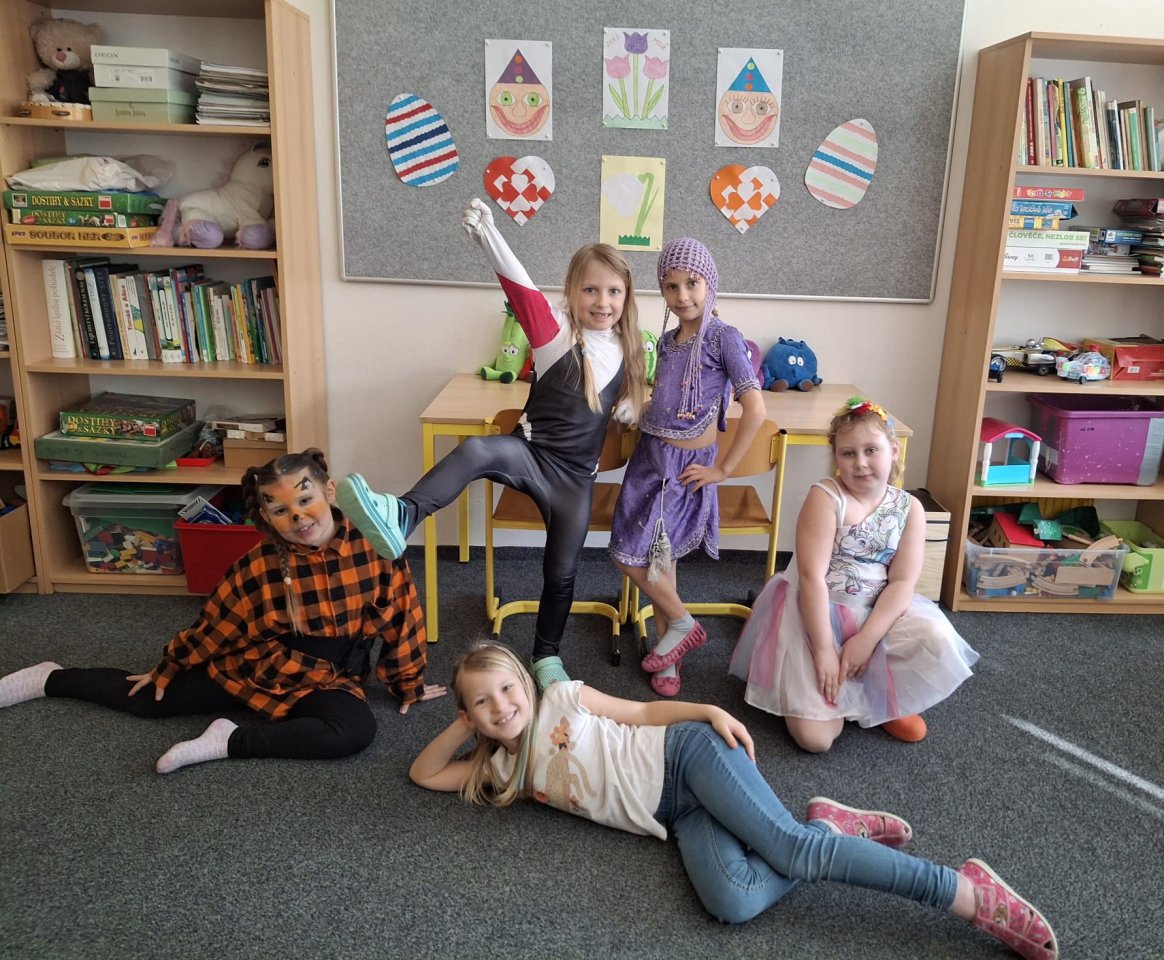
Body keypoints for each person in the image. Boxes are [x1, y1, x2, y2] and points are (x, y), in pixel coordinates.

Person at [410, 642, 1058, 960]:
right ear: (469, 716)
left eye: (505, 689)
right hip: (678, 814)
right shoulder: (501, 770)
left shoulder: (562, 698)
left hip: (686, 754)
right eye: (482, 703)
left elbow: (642, 712)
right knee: (733, 902)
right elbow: (423, 773)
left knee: (794, 854)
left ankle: (964, 892)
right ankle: (830, 825)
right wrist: (463, 726)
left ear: (525, 684)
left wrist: (708, 711)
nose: (501, 707)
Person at [337, 199, 647, 691]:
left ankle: (546, 656)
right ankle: (403, 515)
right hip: (530, 456)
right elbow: (518, 286)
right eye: (590, 289)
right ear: (572, 291)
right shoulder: (555, 334)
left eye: (613, 291)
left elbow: (630, 395)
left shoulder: (630, 350)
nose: (602, 301)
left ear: (627, 296)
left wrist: (632, 402)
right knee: (477, 450)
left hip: (575, 481)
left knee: (562, 572)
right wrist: (488, 235)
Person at [0, 449, 446, 774]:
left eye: (305, 500)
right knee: (151, 700)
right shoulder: (260, 565)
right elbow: (215, 625)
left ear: (329, 491)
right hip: (254, 665)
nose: (298, 517)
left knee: (353, 732)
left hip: (329, 678)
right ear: (267, 517)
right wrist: (170, 666)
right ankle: (49, 678)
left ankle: (229, 740)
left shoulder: (376, 544)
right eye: (281, 510)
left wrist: (406, 682)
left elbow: (403, 616)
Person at [729, 398, 980, 752]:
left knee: (936, 637)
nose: (860, 463)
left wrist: (867, 640)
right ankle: (847, 696)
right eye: (848, 453)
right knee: (816, 740)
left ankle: (881, 696)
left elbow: (903, 582)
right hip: (818, 612)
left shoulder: (909, 508)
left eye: (871, 450)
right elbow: (812, 579)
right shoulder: (826, 497)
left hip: (876, 611)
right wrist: (823, 651)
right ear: (836, 457)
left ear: (893, 451)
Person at [609, 237, 765, 697]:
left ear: (709, 283)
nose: (682, 295)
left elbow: (755, 409)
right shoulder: (667, 342)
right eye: (671, 286)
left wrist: (723, 471)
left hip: (684, 469)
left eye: (692, 283)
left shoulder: (722, 337)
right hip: (649, 459)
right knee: (655, 561)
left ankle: (680, 626)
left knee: (644, 557)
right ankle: (673, 645)